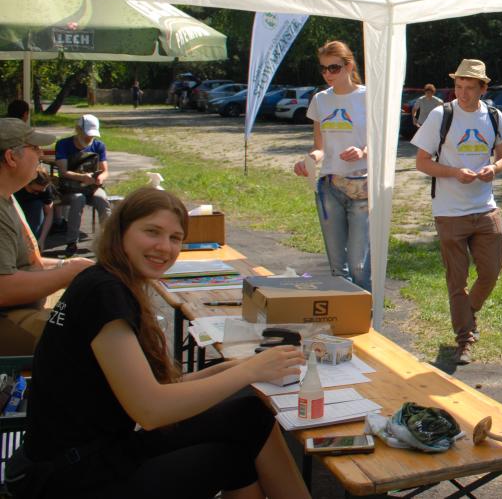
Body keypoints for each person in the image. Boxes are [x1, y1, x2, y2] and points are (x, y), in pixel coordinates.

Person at [7, 187, 309, 498]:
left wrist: (235, 368)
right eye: (152, 232)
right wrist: (249, 372)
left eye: (175, 238)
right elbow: (150, 410)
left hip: (94, 452)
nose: (164, 247)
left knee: (249, 416)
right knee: (231, 454)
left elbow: (156, 389)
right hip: (70, 476)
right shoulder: (103, 293)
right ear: (121, 231)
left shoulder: (105, 280)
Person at [413, 59, 502, 366]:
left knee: (492, 271)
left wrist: (493, 168)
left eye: (470, 87)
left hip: (485, 208)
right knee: (457, 280)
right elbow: (422, 162)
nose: (463, 93)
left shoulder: (493, 116)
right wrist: (455, 172)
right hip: (449, 212)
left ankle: (467, 313)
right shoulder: (441, 115)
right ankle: (465, 339)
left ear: (483, 88)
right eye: (458, 86)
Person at [0, 118, 93, 356]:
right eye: (34, 148)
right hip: (8, 319)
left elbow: (27, 262)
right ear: (11, 158)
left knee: (100, 313)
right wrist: (69, 273)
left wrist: (67, 265)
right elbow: (4, 288)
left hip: (22, 311)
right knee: (95, 334)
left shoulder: (8, 196)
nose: (41, 154)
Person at [293, 40, 371, 291]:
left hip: (362, 187)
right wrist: (308, 161)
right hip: (329, 187)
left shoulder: (368, 96)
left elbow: (381, 144)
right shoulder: (320, 100)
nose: (328, 74)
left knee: (358, 265)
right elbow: (320, 147)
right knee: (338, 267)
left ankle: (366, 312)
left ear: (349, 66)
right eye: (323, 68)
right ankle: (344, 312)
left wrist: (362, 151)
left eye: (334, 68)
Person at [54, 113, 112, 247]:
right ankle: (72, 241)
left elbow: (105, 171)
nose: (89, 138)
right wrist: (82, 177)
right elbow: (63, 172)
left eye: (92, 135)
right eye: (87, 134)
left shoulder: (99, 146)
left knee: (102, 200)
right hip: (70, 188)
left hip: (92, 187)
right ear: (78, 130)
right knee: (78, 199)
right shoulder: (63, 144)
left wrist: (100, 178)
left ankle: (108, 240)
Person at [15, 167, 55, 248]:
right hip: (16, 207)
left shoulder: (45, 189)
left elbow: (49, 214)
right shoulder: (15, 187)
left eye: (41, 191)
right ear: (26, 183)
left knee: (37, 205)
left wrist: (42, 239)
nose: (37, 194)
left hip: (34, 209)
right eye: (35, 191)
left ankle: (33, 244)